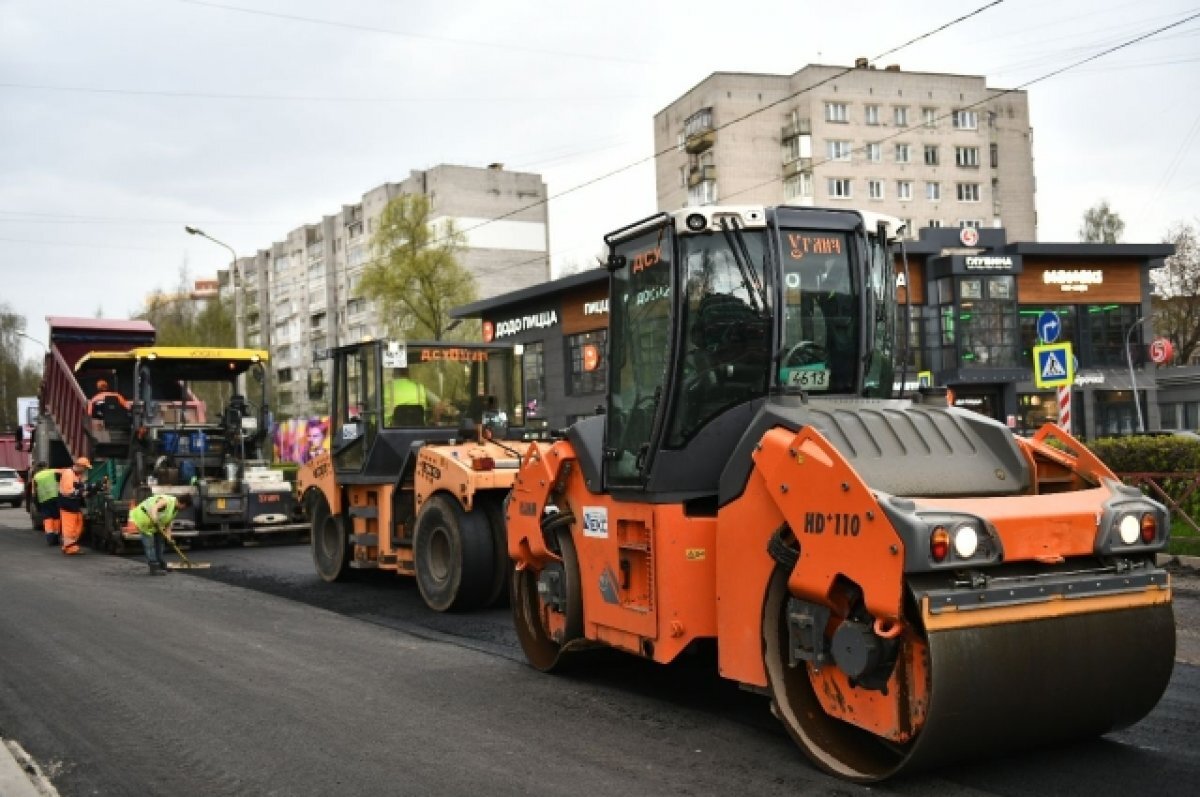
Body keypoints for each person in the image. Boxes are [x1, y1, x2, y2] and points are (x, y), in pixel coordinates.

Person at [129, 493, 193, 575]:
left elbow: (168, 524)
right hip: (143, 519)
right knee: (150, 545)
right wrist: (155, 519)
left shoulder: (175, 509)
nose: (184, 509)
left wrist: (169, 538)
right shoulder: (166, 501)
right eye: (185, 507)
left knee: (160, 541)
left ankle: (161, 563)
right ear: (183, 504)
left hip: (155, 523)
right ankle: (154, 567)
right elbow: (154, 508)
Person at [57, 457, 91, 556]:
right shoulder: (68, 473)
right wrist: (81, 492)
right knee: (69, 527)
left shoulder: (76, 475)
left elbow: (79, 487)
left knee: (78, 524)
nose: (86, 470)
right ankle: (70, 547)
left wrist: (88, 488)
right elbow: (68, 491)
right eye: (85, 468)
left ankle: (69, 545)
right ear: (80, 466)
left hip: (72, 505)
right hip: (67, 504)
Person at [32, 462, 62, 547]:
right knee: (56, 517)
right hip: (55, 498)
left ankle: (50, 537)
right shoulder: (52, 471)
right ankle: (56, 537)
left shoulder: (36, 477)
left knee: (47, 518)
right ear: (46, 466)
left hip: (43, 500)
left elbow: (34, 493)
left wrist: (36, 503)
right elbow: (64, 472)